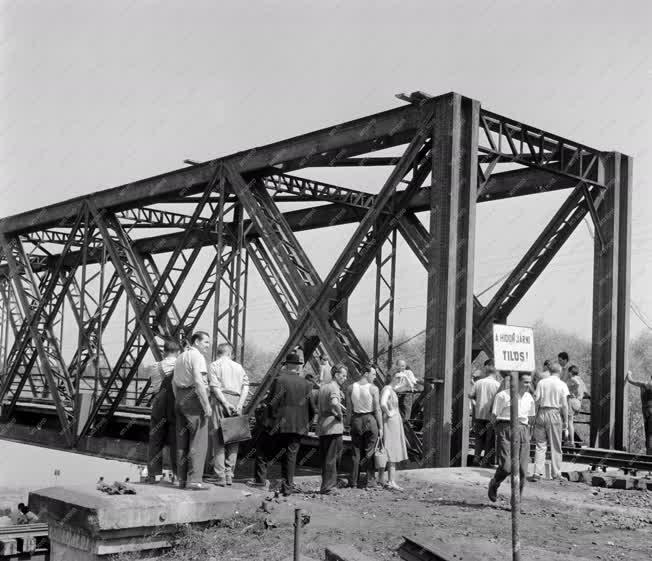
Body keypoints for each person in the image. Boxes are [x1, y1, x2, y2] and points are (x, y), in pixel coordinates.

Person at [267, 351, 316, 495]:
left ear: (287, 365)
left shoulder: (279, 380)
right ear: (298, 366)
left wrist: (272, 419)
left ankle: (279, 484)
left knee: (280, 453)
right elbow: (312, 408)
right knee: (291, 454)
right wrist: (307, 423)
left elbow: (272, 403)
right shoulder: (307, 384)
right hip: (299, 425)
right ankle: (287, 486)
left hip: (281, 424)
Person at [487, 372, 536, 502]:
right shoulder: (502, 396)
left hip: (523, 430)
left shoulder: (529, 398)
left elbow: (530, 419)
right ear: (517, 381)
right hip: (505, 428)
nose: (528, 385)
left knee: (522, 469)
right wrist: (500, 431)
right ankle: (495, 483)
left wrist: (528, 434)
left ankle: (516, 500)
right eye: (525, 382)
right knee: (506, 466)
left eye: (529, 382)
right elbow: (493, 417)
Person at [173, 331, 212, 491]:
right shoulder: (197, 357)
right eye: (206, 342)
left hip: (180, 398)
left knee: (182, 441)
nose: (208, 346)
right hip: (193, 399)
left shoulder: (180, 357)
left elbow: (174, 383)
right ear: (196, 341)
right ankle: (195, 480)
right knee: (199, 440)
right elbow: (198, 380)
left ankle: (181, 479)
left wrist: (179, 399)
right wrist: (206, 404)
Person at [207, 343, 250, 486]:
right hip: (237, 399)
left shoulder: (214, 365)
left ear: (218, 353)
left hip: (220, 400)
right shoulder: (239, 367)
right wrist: (240, 404)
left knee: (218, 438)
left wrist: (225, 403)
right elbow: (245, 386)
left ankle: (220, 476)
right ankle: (230, 474)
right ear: (231, 353)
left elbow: (214, 386)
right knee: (233, 439)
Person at [145, 338, 181, 484]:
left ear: (164, 351)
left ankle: (153, 474)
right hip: (174, 404)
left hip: (158, 403)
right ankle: (177, 475)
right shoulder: (180, 366)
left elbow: (154, 386)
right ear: (178, 352)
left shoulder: (154, 366)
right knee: (176, 440)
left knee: (155, 439)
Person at [346, 364, 383, 489]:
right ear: (366, 374)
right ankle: (370, 481)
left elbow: (349, 409)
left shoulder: (350, 388)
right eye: (373, 374)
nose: (375, 377)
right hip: (370, 419)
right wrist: (381, 427)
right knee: (370, 451)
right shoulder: (374, 389)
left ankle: (353, 482)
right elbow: (377, 409)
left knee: (355, 452)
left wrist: (347, 424)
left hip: (356, 420)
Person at [532, 362, 569, 480]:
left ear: (549, 370)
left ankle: (537, 473)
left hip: (542, 412)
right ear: (560, 371)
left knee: (540, 445)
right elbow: (564, 405)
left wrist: (534, 416)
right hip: (554, 413)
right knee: (556, 445)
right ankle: (556, 473)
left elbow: (536, 400)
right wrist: (566, 422)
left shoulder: (542, 383)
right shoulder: (562, 384)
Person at [317, 363, 348, 494]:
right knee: (333, 457)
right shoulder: (334, 387)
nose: (345, 378)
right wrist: (340, 414)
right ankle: (329, 487)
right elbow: (335, 402)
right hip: (333, 427)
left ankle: (326, 484)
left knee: (326, 458)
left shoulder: (324, 387)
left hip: (322, 426)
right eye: (343, 375)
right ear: (336, 375)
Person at [379, 374, 409, 490]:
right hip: (391, 422)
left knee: (391, 449)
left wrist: (404, 377)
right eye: (397, 377)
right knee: (391, 449)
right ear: (392, 377)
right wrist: (389, 412)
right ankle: (391, 481)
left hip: (394, 422)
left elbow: (406, 385)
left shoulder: (392, 389)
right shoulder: (387, 389)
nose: (399, 380)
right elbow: (382, 403)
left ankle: (383, 479)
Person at [469, 365, 500, 466]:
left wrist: (475, 404)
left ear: (486, 373)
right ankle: (485, 461)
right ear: (495, 373)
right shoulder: (497, 384)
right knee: (489, 439)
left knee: (478, 438)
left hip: (479, 415)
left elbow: (470, 395)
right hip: (491, 416)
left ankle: (476, 459)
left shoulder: (478, 383)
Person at [625, 369, 652, 455]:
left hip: (646, 411)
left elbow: (630, 380)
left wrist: (629, 373)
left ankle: (649, 453)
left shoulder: (644, 384)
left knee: (648, 433)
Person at [566, 364, 587, 448]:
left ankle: (571, 442)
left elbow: (576, 384)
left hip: (572, 401)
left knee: (569, 422)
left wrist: (572, 392)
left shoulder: (573, 379)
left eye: (568, 372)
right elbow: (585, 392)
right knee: (569, 422)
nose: (568, 374)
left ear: (571, 372)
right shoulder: (581, 380)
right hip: (578, 403)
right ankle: (568, 440)